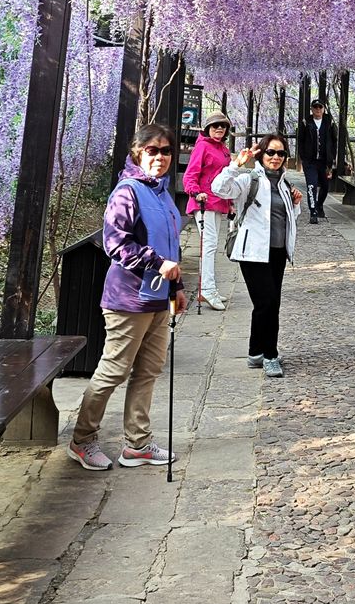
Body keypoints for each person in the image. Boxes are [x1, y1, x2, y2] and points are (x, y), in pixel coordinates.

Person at [67, 124, 187, 471]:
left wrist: (176, 290)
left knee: (148, 371)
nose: (161, 157)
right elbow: (115, 244)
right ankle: (82, 440)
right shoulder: (127, 191)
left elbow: (172, 247)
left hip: (159, 299)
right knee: (113, 371)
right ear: (138, 153)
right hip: (127, 300)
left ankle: (137, 444)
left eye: (166, 151)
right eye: (153, 150)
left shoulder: (163, 194)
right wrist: (156, 262)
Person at [212, 133, 302, 378]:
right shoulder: (248, 179)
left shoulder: (285, 183)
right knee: (267, 303)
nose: (275, 157)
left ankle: (255, 352)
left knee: (268, 304)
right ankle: (270, 356)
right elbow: (218, 188)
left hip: (278, 252)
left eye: (281, 153)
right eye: (271, 152)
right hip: (252, 252)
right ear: (261, 153)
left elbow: (289, 220)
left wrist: (295, 204)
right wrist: (235, 165)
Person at [182, 110, 232, 310]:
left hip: (218, 202)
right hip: (204, 202)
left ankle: (209, 288)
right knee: (208, 246)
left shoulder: (223, 148)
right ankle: (207, 291)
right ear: (208, 128)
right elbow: (190, 175)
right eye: (215, 126)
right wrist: (195, 192)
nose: (219, 128)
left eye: (223, 126)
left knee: (212, 246)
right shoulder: (202, 147)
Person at [298, 98, 337, 224]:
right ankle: (313, 211)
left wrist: (332, 159)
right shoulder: (306, 122)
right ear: (312, 109)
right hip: (310, 162)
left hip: (324, 162)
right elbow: (301, 141)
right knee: (312, 185)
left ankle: (319, 205)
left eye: (320, 107)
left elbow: (334, 141)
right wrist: (303, 157)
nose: (318, 109)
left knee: (325, 186)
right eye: (315, 107)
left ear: (323, 109)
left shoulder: (329, 122)